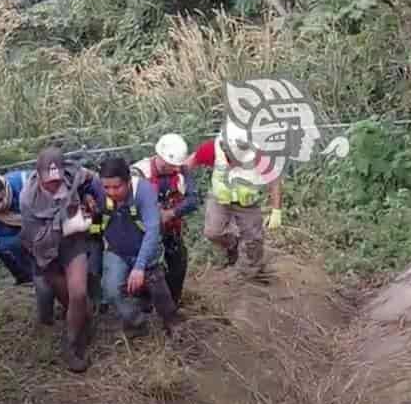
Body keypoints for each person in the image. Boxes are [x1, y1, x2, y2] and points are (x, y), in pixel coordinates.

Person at [84, 156, 181, 340]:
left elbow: (152, 231)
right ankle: (136, 322)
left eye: (116, 187)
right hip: (117, 250)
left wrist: (139, 266)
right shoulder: (97, 186)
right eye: (106, 188)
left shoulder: (144, 191)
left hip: (145, 249)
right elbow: (80, 179)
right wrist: (87, 197)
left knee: (158, 289)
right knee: (111, 290)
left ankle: (172, 322)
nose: (111, 192)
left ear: (128, 182)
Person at [20, 147, 95, 373]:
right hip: (45, 252)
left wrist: (92, 198)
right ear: (38, 175)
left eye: (57, 181)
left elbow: (95, 180)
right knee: (74, 303)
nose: (53, 185)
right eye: (48, 182)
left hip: (73, 244)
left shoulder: (75, 174)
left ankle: (72, 348)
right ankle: (82, 326)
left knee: (79, 294)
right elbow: (35, 240)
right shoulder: (27, 199)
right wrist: (63, 227)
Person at [186, 120, 283, 280]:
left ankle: (252, 271)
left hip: (247, 202)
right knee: (212, 232)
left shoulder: (258, 155)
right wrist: (180, 185)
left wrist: (276, 211)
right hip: (220, 197)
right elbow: (188, 164)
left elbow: (274, 180)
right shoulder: (212, 148)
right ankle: (234, 246)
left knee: (253, 239)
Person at [0, 170, 56, 325]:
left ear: (5, 188)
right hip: (20, 248)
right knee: (42, 282)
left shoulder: (25, 183)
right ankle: (46, 321)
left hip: (49, 231)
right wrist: (20, 240)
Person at [131, 133, 199, 305]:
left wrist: (170, 214)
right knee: (147, 267)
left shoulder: (181, 170)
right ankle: (144, 303)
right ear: (160, 158)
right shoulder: (139, 172)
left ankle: (173, 302)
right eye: (172, 165)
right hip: (144, 232)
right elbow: (127, 203)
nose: (176, 169)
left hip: (170, 228)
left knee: (178, 263)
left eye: (177, 165)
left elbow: (193, 200)